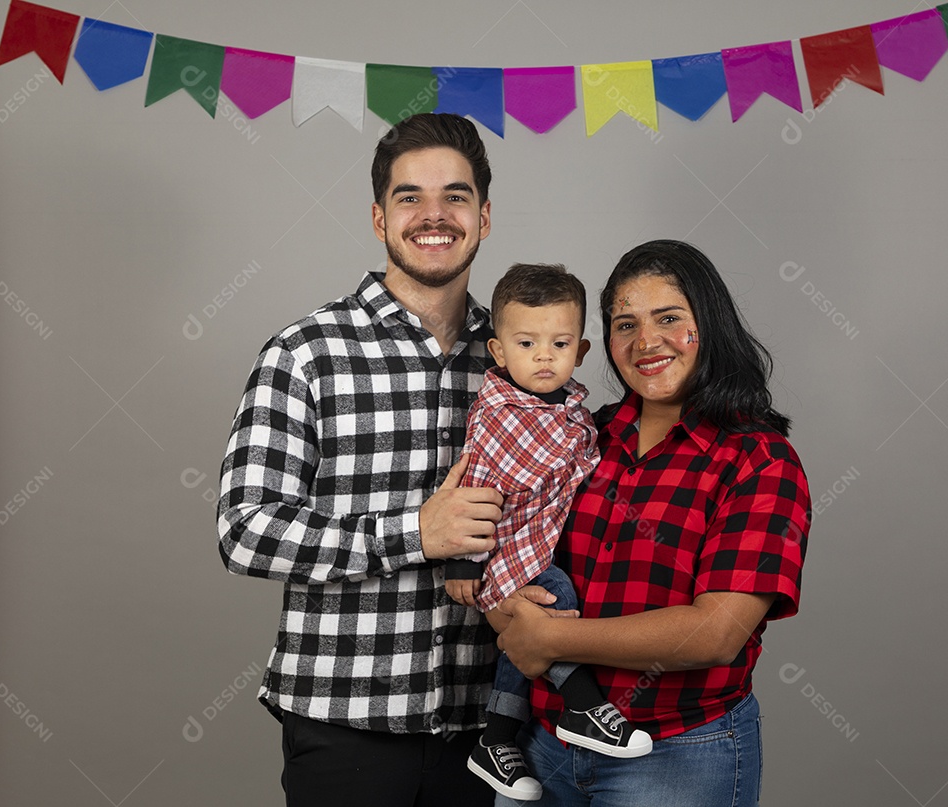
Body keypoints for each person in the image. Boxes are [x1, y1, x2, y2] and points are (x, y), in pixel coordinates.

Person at [217, 112, 550, 807]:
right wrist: (415, 533)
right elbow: (244, 529)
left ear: (484, 217)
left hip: (490, 729)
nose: (435, 215)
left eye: (455, 196)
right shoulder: (305, 353)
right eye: (410, 197)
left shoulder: (523, 361)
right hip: (345, 725)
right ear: (379, 217)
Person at [493, 240, 811, 806]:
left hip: (678, 753)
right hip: (542, 747)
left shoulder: (759, 460)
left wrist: (553, 638)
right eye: (625, 324)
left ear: (708, 325)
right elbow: (516, 548)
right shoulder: (581, 438)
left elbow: (716, 634)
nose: (646, 342)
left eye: (669, 319)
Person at [443, 264, 652, 801]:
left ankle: (496, 738)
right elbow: (475, 483)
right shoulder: (501, 413)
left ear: (580, 352)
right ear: (498, 350)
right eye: (526, 342)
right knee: (556, 595)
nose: (543, 356)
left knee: (525, 639)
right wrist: (464, 564)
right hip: (503, 545)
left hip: (535, 538)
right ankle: (583, 705)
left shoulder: (571, 412)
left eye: (558, 343)